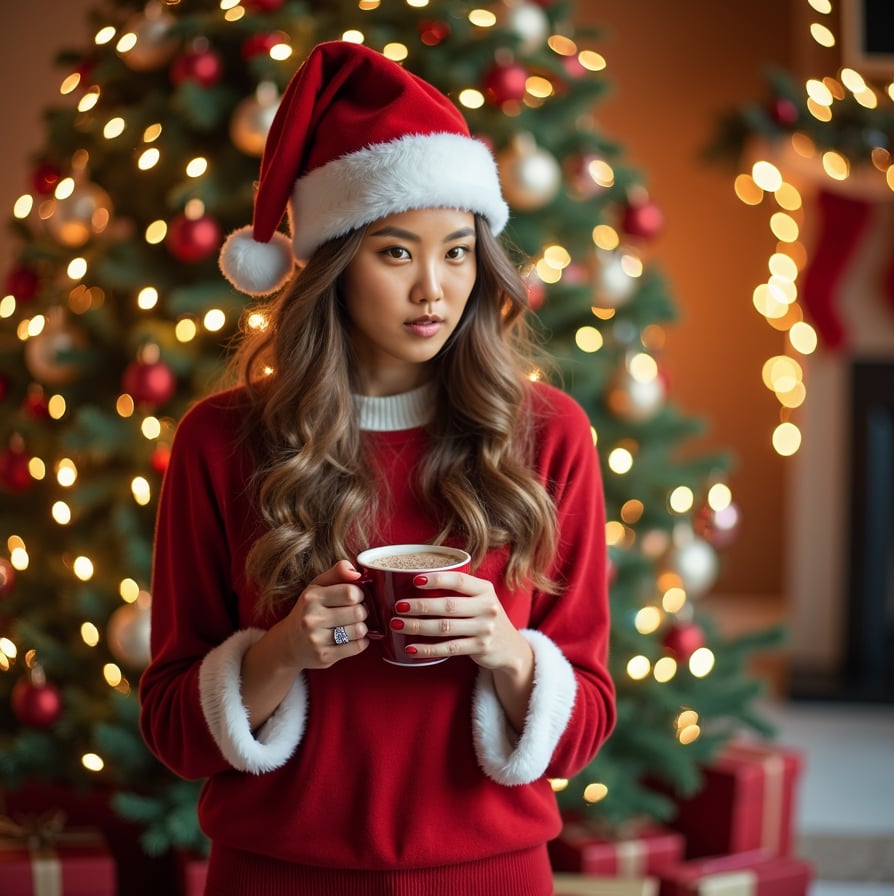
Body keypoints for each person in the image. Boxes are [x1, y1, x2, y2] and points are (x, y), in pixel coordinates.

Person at [139, 40, 615, 896]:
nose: (434, 288)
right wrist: (281, 652)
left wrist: (507, 653)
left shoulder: (549, 437)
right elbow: (174, 730)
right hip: (277, 875)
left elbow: (586, 723)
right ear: (334, 266)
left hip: (492, 874)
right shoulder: (220, 441)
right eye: (396, 252)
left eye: (459, 251)